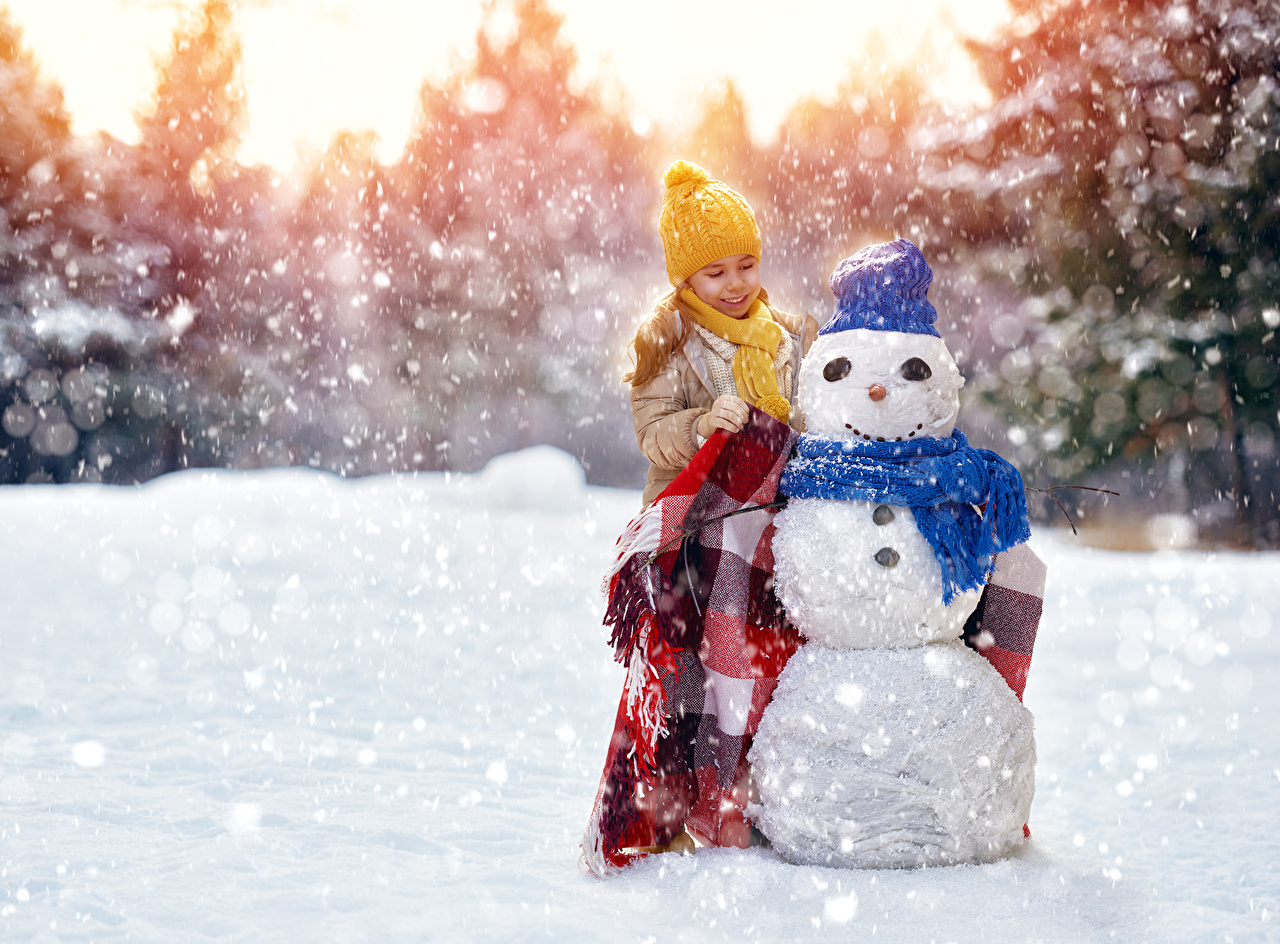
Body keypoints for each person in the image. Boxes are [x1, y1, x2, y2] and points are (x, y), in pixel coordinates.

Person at [626, 160, 817, 506]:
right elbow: (652, 435)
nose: (736, 283)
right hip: (698, 513)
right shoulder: (668, 342)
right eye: (715, 274)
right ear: (688, 281)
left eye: (747, 266)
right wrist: (701, 425)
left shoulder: (789, 339)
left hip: (779, 511)